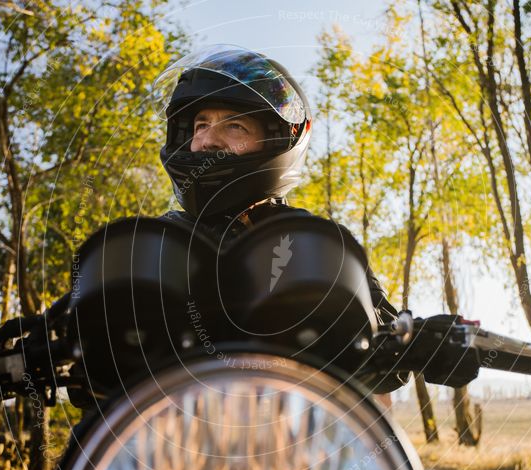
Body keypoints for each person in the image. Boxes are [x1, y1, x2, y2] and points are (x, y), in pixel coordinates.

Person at [153, 45, 406, 396]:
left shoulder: (319, 244)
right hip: (171, 438)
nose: (206, 140)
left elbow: (383, 354)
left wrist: (422, 342)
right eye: (200, 125)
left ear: (277, 140)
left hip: (297, 436)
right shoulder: (158, 241)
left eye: (234, 126)